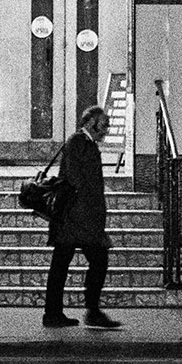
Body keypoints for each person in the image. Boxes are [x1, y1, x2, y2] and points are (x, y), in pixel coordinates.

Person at [43, 104, 121, 331]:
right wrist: (93, 214)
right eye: (103, 124)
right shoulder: (78, 142)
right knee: (95, 260)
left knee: (62, 264)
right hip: (77, 219)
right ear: (90, 122)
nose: (106, 129)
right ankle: (89, 312)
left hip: (76, 219)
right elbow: (77, 181)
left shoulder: (85, 143)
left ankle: (56, 313)